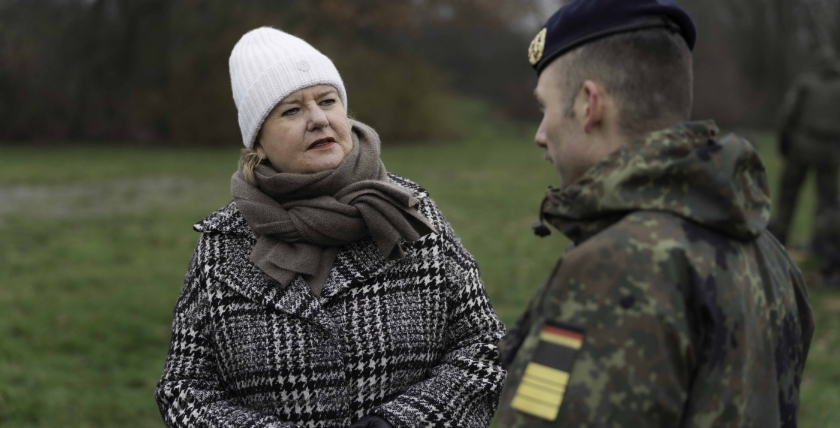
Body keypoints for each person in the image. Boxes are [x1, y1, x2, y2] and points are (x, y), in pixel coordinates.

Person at [155, 27, 506, 428]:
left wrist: (403, 423)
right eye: (292, 110)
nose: (319, 119)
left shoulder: (408, 212)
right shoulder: (223, 245)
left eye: (327, 101)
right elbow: (183, 388)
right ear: (259, 143)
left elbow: (484, 346)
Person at [495, 0, 815, 426]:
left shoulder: (613, 271)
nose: (540, 135)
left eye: (545, 108)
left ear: (590, 104)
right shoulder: (770, 255)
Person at [768, 46, 840, 285]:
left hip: (801, 144)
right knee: (827, 202)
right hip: (830, 149)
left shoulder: (806, 83)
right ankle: (822, 247)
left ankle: (779, 239)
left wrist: (784, 144)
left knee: (788, 195)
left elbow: (787, 113)